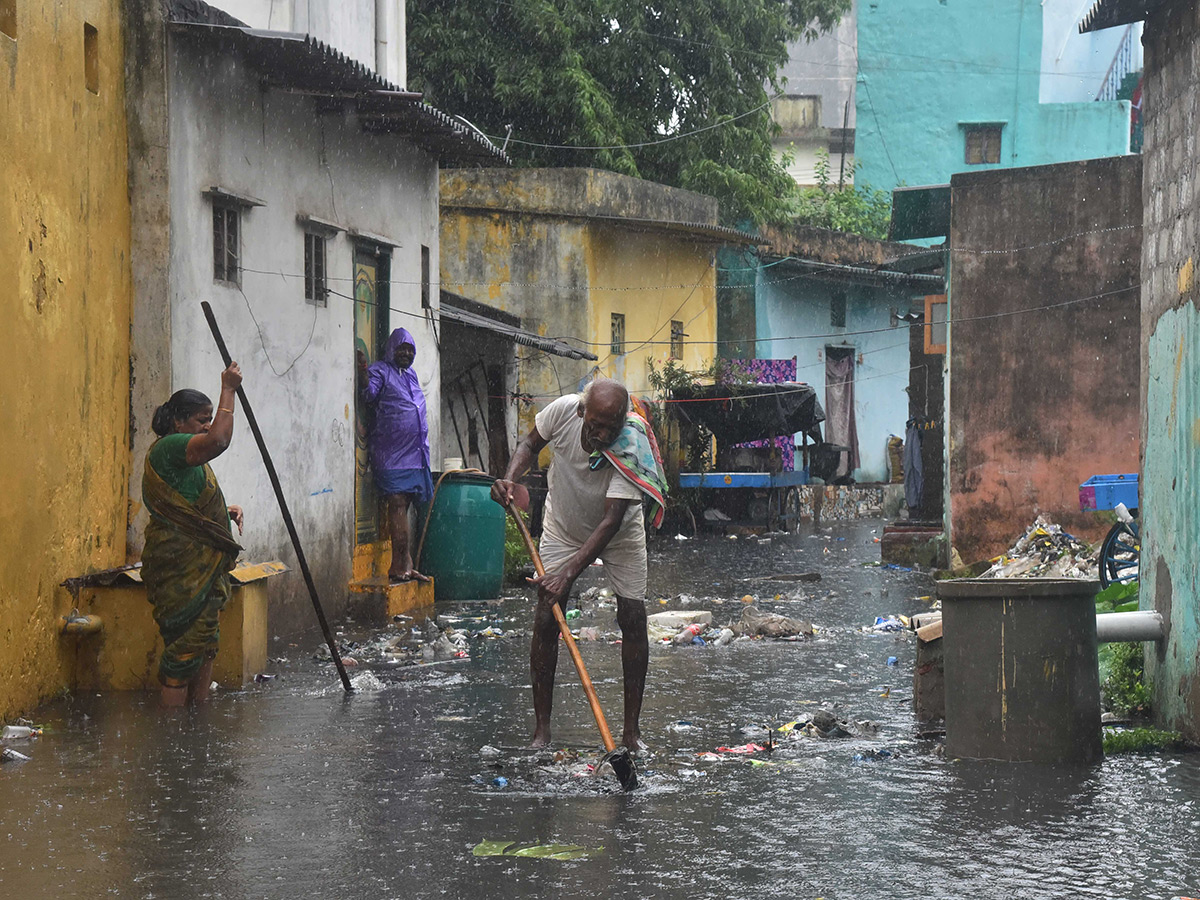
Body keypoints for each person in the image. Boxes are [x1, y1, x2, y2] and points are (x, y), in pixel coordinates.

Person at [491, 378, 667, 750]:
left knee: (633, 618)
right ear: (581, 412)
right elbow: (529, 443)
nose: (603, 434)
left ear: (623, 422)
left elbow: (610, 522)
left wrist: (567, 573)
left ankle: (631, 733)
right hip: (564, 526)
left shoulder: (630, 443)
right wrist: (509, 478)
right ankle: (542, 730)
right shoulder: (562, 411)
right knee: (546, 615)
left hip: (618, 534)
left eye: (611, 427)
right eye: (596, 425)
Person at [142, 363, 245, 708]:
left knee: (206, 641)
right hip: (180, 566)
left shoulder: (190, 459)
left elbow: (188, 504)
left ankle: (196, 729)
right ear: (178, 422)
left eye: (209, 417)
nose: (206, 425)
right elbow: (219, 439)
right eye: (201, 418)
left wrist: (222, 513)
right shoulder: (170, 447)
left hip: (203, 562)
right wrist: (228, 389)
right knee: (183, 649)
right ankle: (173, 740)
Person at [358, 327, 433, 583]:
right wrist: (363, 374)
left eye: (410, 350)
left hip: (415, 454)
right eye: (401, 348)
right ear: (391, 349)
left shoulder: (410, 374)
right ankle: (398, 566)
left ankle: (406, 563)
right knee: (397, 505)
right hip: (391, 455)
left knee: (406, 505)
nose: (406, 353)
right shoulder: (381, 370)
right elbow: (368, 394)